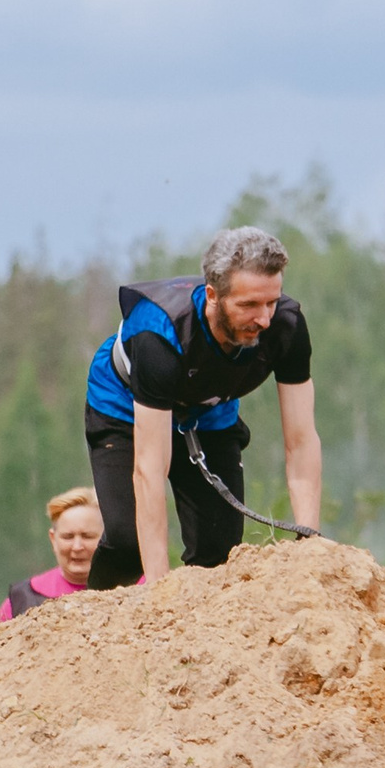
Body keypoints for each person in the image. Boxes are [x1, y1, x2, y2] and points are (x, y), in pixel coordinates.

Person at [82, 226, 322, 589]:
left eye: (271, 302)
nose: (264, 319)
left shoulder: (286, 327)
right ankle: (90, 623)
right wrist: (160, 592)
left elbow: (301, 441)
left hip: (208, 413)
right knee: (128, 543)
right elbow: (150, 470)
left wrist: (309, 543)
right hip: (126, 407)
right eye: (249, 306)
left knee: (219, 552)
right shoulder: (158, 335)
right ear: (212, 295)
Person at [0, 486, 105, 625]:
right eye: (68, 537)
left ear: (105, 538)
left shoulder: (134, 589)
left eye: (87, 536)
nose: (77, 547)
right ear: (53, 539)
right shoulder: (23, 597)